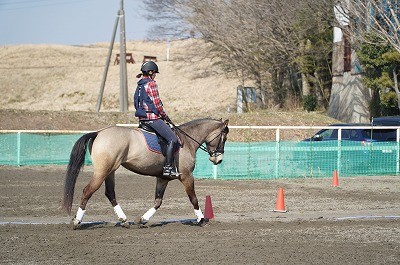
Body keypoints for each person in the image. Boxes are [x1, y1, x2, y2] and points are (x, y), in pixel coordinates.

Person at [133, 61, 180, 177]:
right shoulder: (151, 84)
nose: (155, 76)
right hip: (152, 119)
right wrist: (165, 116)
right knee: (173, 139)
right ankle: (168, 168)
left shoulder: (140, 84)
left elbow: (136, 103)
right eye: (154, 73)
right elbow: (157, 104)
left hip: (142, 119)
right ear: (151, 72)